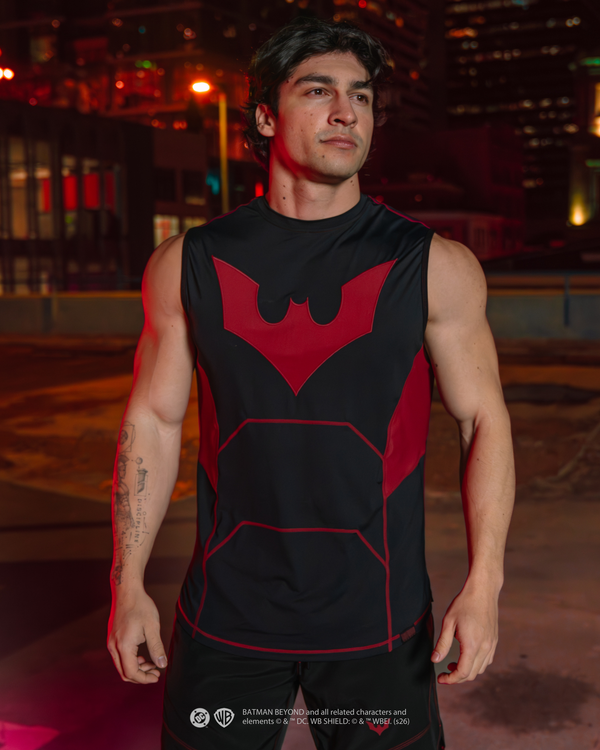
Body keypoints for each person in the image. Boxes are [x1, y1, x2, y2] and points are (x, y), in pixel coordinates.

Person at [107, 16, 515, 750]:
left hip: (379, 623)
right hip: (226, 619)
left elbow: (483, 420)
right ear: (266, 116)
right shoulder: (188, 262)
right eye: (319, 91)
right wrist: (126, 582)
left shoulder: (433, 265)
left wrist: (485, 583)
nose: (346, 112)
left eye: (361, 96)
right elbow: (153, 423)